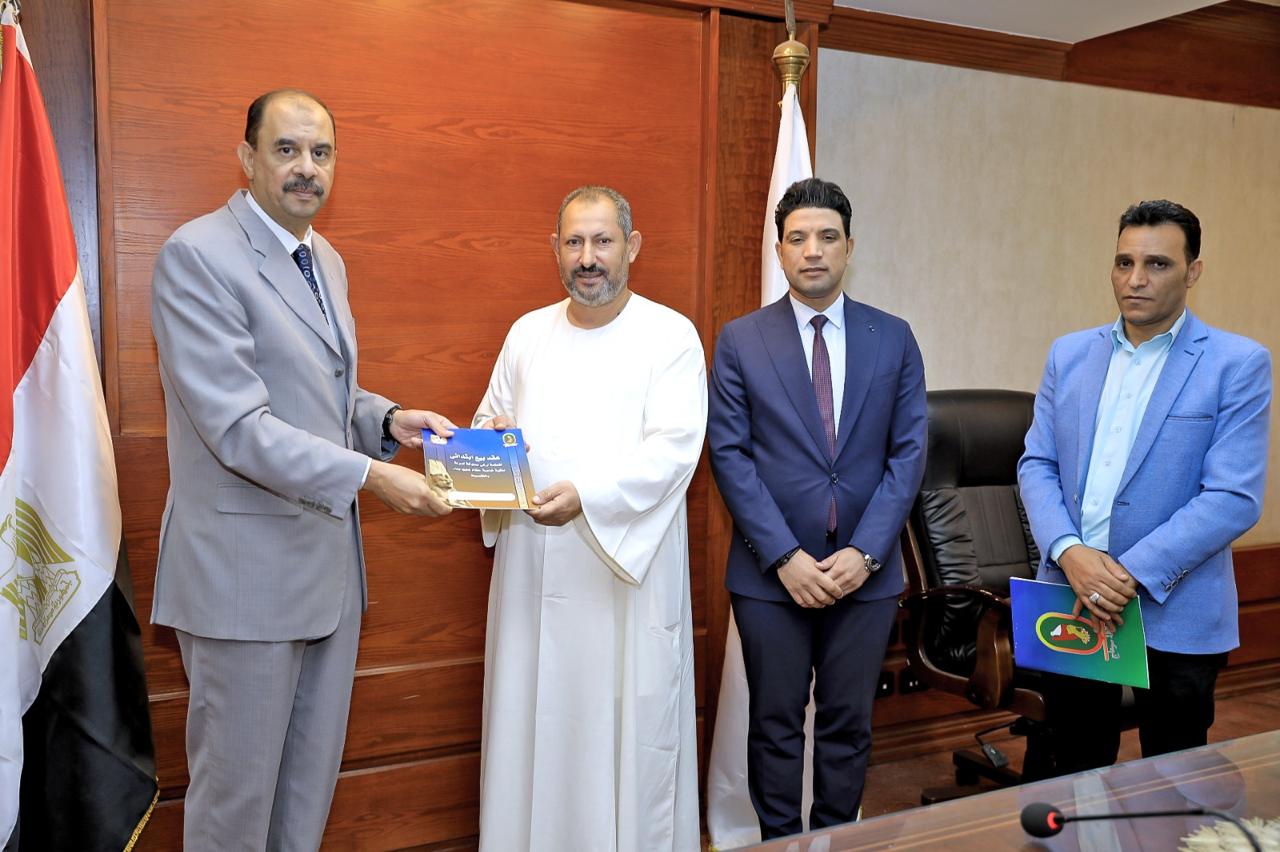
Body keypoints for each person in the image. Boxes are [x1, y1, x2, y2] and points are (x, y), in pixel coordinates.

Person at [150, 89, 455, 850]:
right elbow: (238, 427)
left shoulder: (325, 258)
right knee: (235, 815)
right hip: (242, 583)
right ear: (247, 158)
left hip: (326, 578)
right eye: (286, 149)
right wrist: (372, 477)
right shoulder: (197, 255)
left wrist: (384, 420)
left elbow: (317, 392)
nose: (306, 168)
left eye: (321, 152)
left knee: (302, 806)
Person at [472, 185, 706, 852]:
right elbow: (489, 421)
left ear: (632, 246)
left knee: (619, 735)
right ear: (555, 249)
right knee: (532, 725)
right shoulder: (527, 333)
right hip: (531, 575)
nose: (588, 258)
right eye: (574, 242)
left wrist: (589, 498)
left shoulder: (670, 336)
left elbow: (674, 451)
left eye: (602, 241)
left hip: (621, 578)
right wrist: (489, 442)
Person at [1018, 199, 1271, 777]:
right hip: (1072, 596)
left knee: (1174, 783)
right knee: (1075, 772)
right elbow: (1037, 464)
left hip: (1174, 605)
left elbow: (1232, 497)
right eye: (1124, 262)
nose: (1136, 279)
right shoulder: (1070, 354)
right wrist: (1070, 553)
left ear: (1193, 271)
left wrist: (1123, 575)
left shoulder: (1237, 363)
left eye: (1157, 264)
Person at [707, 177, 927, 838]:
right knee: (774, 725)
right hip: (772, 577)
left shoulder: (893, 337)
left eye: (827, 237)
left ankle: (837, 839)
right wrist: (785, 557)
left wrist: (866, 553)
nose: (812, 250)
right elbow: (730, 455)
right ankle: (779, 844)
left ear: (849, 247)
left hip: (865, 575)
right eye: (797, 238)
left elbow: (909, 454)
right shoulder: (741, 340)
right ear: (779, 250)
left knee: (848, 725)